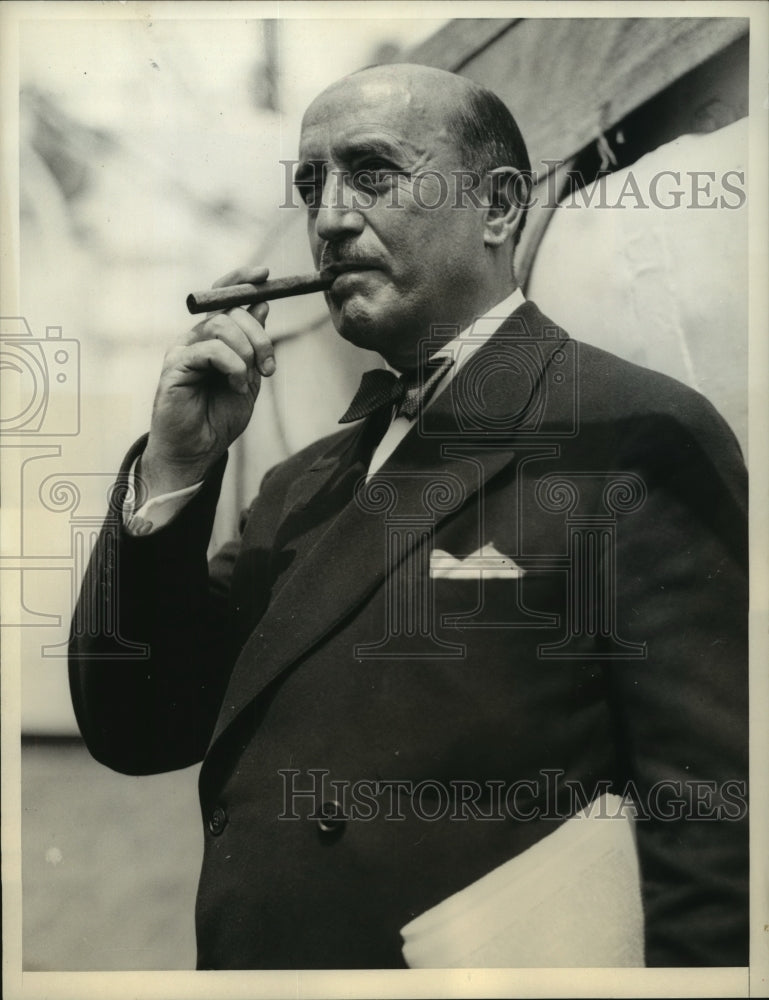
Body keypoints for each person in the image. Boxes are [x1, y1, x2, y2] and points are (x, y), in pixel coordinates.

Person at [69, 64, 748, 969]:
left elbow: (711, 832)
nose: (331, 217)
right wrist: (177, 466)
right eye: (312, 185)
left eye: (374, 174)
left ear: (498, 206)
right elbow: (141, 726)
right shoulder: (301, 483)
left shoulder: (623, 434)